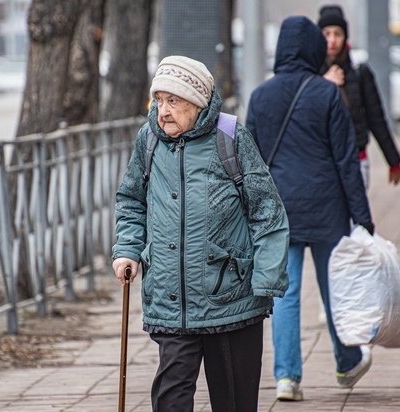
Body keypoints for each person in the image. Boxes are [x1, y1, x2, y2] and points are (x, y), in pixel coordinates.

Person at [112, 55, 289, 412]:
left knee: (235, 403)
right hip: (172, 299)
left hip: (230, 298)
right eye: (159, 100)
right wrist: (127, 250)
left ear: (198, 102)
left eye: (173, 101)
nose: (163, 110)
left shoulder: (230, 136)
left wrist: (267, 280)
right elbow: (131, 201)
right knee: (170, 400)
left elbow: (267, 211)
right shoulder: (148, 141)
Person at [246, 16, 374, 401]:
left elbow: (249, 161)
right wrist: (363, 218)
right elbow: (346, 161)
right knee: (334, 287)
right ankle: (346, 361)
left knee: (285, 294)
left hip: (279, 210)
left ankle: (286, 377)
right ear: (315, 49)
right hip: (327, 209)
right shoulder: (326, 93)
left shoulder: (261, 96)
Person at [318, 5, 400, 188]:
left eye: (337, 34)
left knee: (356, 215)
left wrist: (393, 160)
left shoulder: (359, 72)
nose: (332, 40)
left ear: (345, 37)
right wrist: (323, 84)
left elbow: (376, 118)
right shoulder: (311, 74)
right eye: (326, 34)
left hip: (357, 159)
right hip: (323, 164)